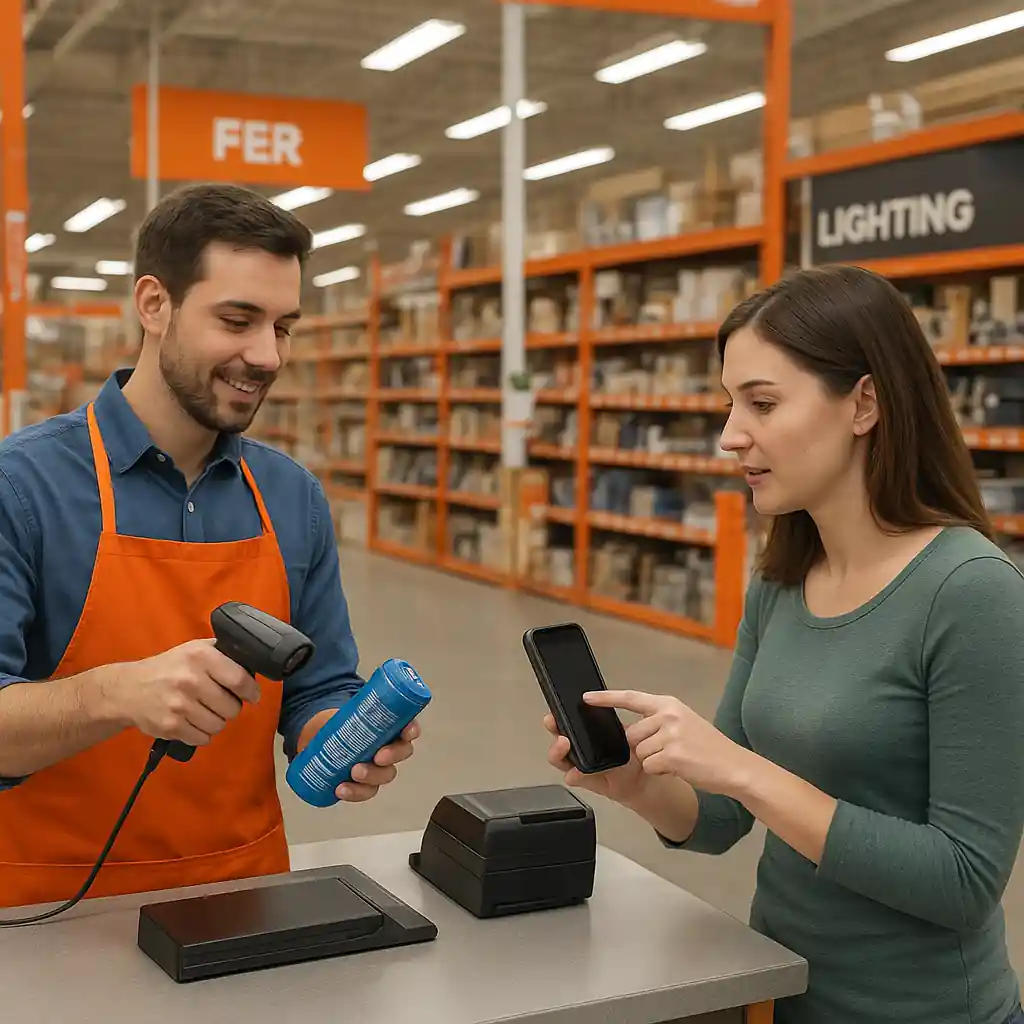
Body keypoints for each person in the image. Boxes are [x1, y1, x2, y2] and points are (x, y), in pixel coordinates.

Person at [543, 265, 1024, 1024]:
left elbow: (964, 881)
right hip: (778, 991)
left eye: (762, 403)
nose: (731, 435)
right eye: (729, 403)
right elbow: (717, 818)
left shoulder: (972, 592)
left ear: (864, 403)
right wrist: (635, 782)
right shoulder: (782, 580)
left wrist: (744, 770)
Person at [0, 182, 420, 910]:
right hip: (49, 911)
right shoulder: (22, 487)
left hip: (244, 897)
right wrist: (114, 694)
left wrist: (341, 735)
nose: (266, 355)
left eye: (283, 327)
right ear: (154, 304)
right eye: (237, 320)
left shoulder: (290, 496)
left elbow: (318, 686)